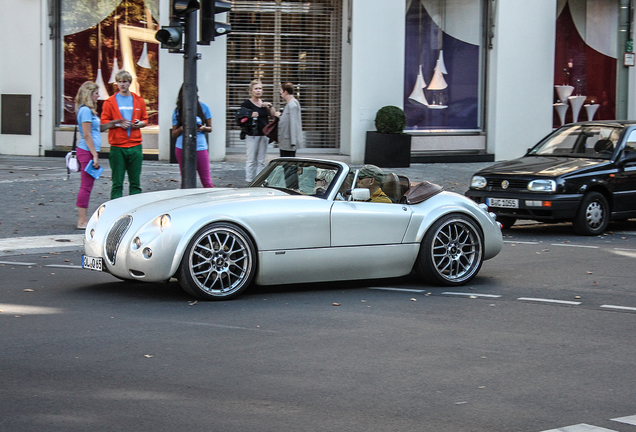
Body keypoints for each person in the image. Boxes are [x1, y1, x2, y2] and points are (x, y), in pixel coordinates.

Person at [74, 81, 122, 229]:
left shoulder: (87, 111)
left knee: (87, 185)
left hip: (89, 150)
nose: (98, 96)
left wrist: (113, 123)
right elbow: (87, 135)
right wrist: (94, 155)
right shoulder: (86, 111)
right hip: (87, 151)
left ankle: (82, 218)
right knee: (86, 186)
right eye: (96, 93)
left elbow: (95, 129)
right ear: (89, 94)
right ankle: (82, 220)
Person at [101, 70, 148, 199]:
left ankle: (136, 209)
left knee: (135, 182)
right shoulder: (109, 102)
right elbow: (104, 123)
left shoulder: (138, 100)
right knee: (117, 182)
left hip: (135, 145)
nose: (122, 84)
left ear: (129, 83)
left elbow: (145, 119)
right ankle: (115, 209)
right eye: (119, 82)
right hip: (117, 146)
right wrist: (117, 124)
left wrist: (140, 124)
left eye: (125, 82)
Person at [172, 85, 214, 188]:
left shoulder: (204, 107)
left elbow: (210, 128)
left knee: (206, 181)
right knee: (186, 181)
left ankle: (211, 200)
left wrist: (202, 128)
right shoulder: (178, 111)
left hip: (200, 146)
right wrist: (181, 128)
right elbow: (174, 133)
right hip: (182, 147)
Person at [241, 79, 276, 182]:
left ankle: (258, 181)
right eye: (256, 89)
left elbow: (273, 115)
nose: (258, 91)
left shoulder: (264, 103)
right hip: (252, 135)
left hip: (264, 135)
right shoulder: (247, 104)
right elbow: (240, 116)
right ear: (251, 90)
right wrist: (250, 115)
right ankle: (249, 181)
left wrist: (270, 106)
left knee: (261, 161)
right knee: (251, 160)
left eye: (260, 88)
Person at [277, 82, 304, 157]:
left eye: (281, 90)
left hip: (288, 142)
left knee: (289, 165)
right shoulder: (290, 104)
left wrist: (293, 142)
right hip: (286, 142)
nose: (280, 93)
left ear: (285, 92)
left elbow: (293, 123)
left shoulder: (292, 105)